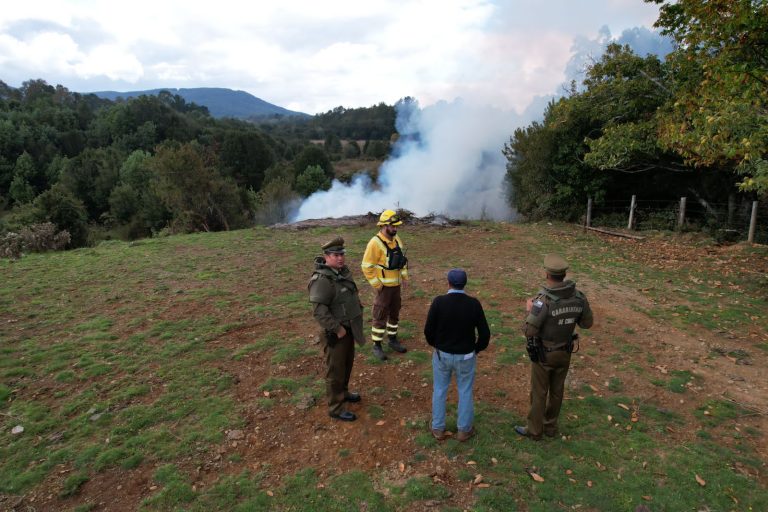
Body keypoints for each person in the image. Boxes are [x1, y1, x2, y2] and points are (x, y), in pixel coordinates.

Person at [515, 254, 594, 440]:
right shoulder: (579, 298)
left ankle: (534, 430)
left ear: (547, 274)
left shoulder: (544, 301)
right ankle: (550, 427)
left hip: (544, 355)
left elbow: (528, 331)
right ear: (564, 274)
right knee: (557, 391)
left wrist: (530, 309)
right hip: (565, 351)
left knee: (539, 392)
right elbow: (587, 323)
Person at [424, 268, 490, 442]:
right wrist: (476, 349)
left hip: (442, 354)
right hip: (466, 356)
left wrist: (436, 345)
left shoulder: (439, 302)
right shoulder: (474, 304)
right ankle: (464, 430)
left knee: (439, 389)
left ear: (448, 283)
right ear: (465, 284)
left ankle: (437, 428)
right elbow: (485, 334)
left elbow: (428, 330)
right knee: (465, 390)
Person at [308, 236, 366, 421]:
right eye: (335, 255)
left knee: (347, 365)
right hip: (336, 333)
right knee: (335, 371)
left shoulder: (340, 273)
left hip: (348, 329)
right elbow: (319, 311)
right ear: (326, 256)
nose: (340, 258)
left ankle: (344, 393)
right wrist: (337, 329)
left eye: (342, 254)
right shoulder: (322, 280)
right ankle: (336, 407)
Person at [361, 209, 409, 361]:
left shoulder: (397, 240)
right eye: (393, 226)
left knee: (395, 313)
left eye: (396, 226)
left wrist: (404, 277)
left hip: (396, 286)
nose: (395, 229)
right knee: (380, 315)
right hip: (384, 288)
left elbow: (402, 260)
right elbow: (366, 266)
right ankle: (377, 345)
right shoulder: (374, 243)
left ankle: (393, 340)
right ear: (384, 225)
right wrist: (377, 284)